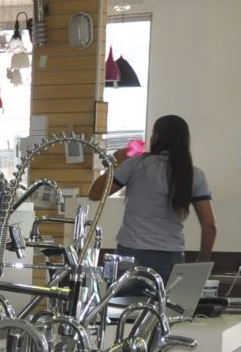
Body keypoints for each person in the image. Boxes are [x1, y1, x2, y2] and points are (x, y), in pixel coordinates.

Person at [88, 114, 216, 281]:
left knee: (125, 299)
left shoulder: (136, 164)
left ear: (156, 136)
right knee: (164, 299)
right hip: (171, 257)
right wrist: (202, 261)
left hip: (131, 253)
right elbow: (209, 225)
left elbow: (95, 194)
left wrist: (115, 162)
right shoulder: (194, 174)